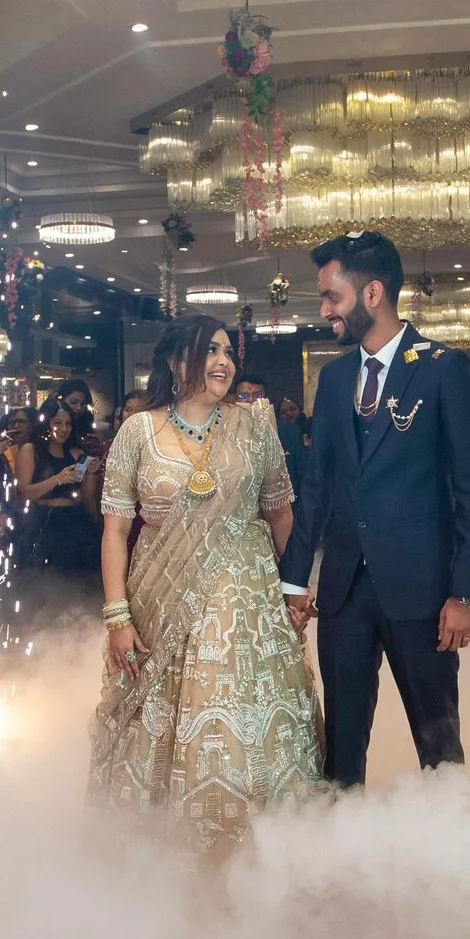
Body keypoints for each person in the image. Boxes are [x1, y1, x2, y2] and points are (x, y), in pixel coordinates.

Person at [93, 317, 320, 853]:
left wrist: (298, 587)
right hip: (159, 596)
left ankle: (258, 848)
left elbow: (280, 513)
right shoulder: (138, 431)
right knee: (165, 715)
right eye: (209, 351)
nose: (223, 361)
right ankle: (164, 849)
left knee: (238, 716)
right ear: (175, 363)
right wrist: (117, 616)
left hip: (246, 599)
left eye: (227, 352)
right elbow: (115, 530)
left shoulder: (254, 424)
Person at [280, 230, 470, 787]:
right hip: (345, 591)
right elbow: (318, 487)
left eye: (333, 297)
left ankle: (454, 857)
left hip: (423, 592)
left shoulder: (443, 368)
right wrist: (293, 582)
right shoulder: (332, 380)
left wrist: (465, 593)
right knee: (342, 744)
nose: (324, 309)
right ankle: (344, 858)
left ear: (371, 293)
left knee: (438, 739)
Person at [14, 400, 98, 571]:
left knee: (80, 581)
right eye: (57, 423)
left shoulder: (76, 453)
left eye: (68, 424)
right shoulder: (30, 450)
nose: (63, 429)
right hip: (42, 521)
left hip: (75, 520)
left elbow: (85, 496)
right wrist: (56, 480)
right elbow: (23, 493)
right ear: (46, 423)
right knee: (42, 580)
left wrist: (91, 473)